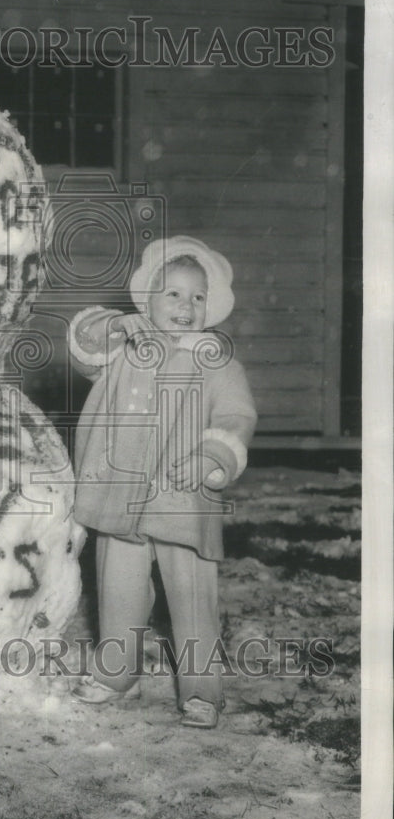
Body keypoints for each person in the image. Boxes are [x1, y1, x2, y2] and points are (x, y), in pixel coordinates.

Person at [68, 235, 257, 728]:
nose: (185, 305)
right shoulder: (123, 351)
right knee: (118, 591)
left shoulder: (217, 363)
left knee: (192, 597)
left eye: (197, 296)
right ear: (146, 301)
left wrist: (213, 454)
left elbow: (237, 416)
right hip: (120, 497)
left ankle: (202, 691)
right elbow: (85, 343)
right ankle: (116, 671)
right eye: (171, 293)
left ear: (210, 306)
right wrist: (114, 325)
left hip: (183, 498)